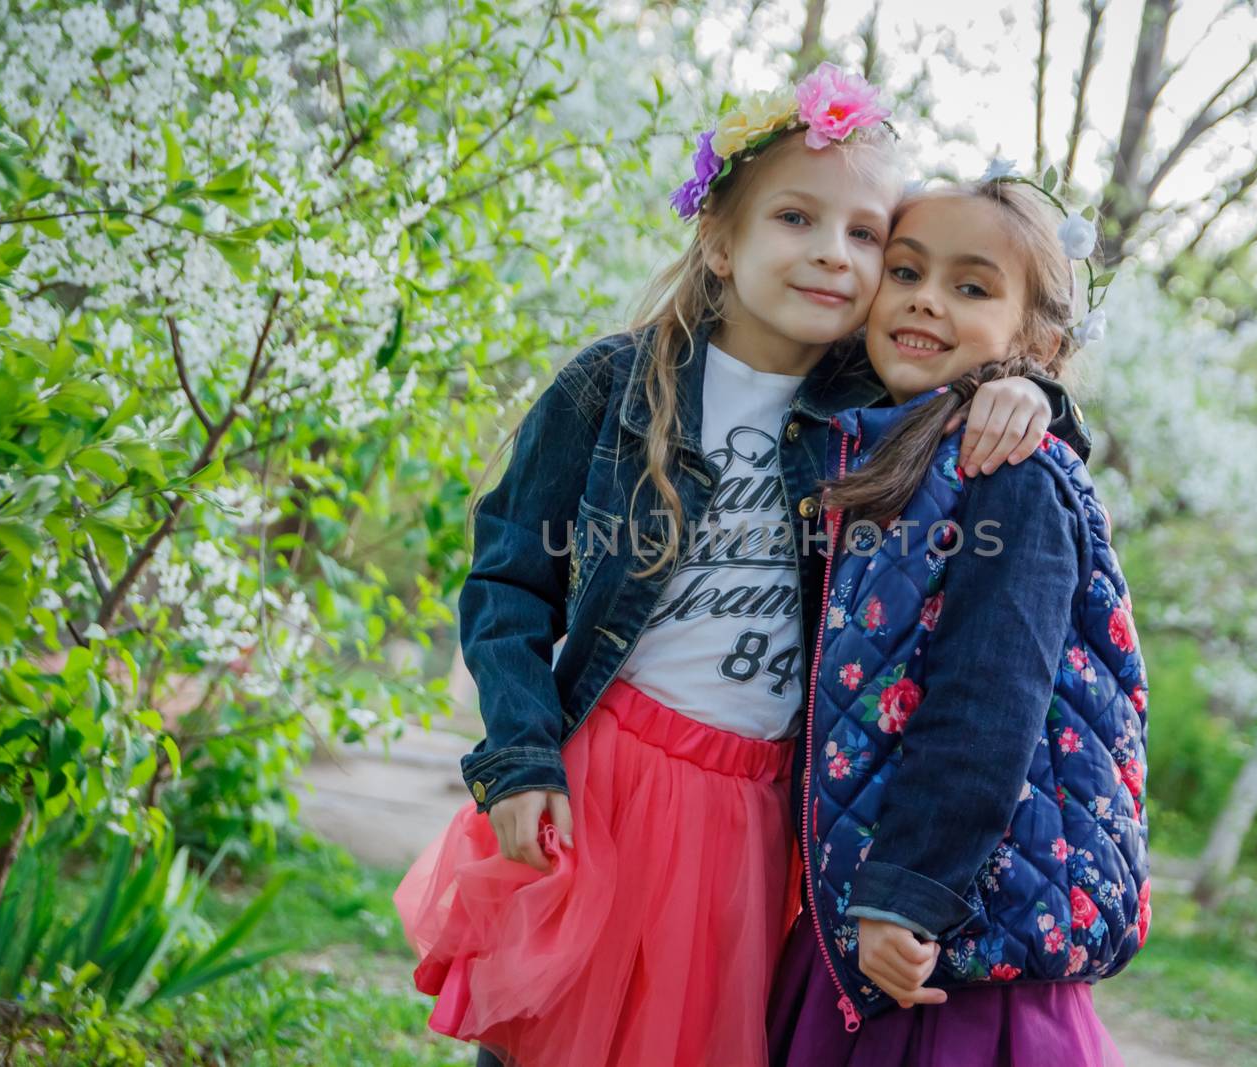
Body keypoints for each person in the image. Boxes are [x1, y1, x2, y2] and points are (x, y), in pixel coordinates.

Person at [393, 66, 1092, 1067]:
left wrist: (1031, 394)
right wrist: (518, 754)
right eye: (796, 219)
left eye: (864, 235)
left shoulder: (880, 411)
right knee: (555, 1041)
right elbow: (509, 581)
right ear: (720, 240)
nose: (832, 256)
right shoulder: (614, 386)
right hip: (607, 781)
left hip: (764, 815)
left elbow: (984, 354)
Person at [769, 174, 1149, 1067]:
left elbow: (988, 704)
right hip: (865, 914)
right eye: (904, 272)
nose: (926, 300)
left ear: (1039, 338)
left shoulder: (1012, 473)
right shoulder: (878, 443)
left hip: (946, 943)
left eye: (970, 287)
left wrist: (907, 893)